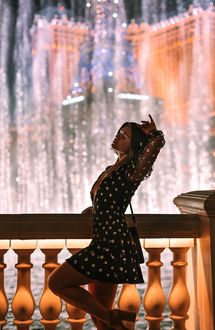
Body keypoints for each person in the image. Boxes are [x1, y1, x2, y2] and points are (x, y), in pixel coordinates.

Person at [48, 114, 165, 329]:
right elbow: (108, 201)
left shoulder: (131, 171)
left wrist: (154, 135)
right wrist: (93, 209)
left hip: (112, 244)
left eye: (124, 136)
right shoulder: (110, 170)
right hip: (102, 242)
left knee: (56, 283)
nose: (117, 137)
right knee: (98, 315)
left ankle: (112, 317)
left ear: (135, 144)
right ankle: (113, 319)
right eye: (119, 133)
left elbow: (153, 151)